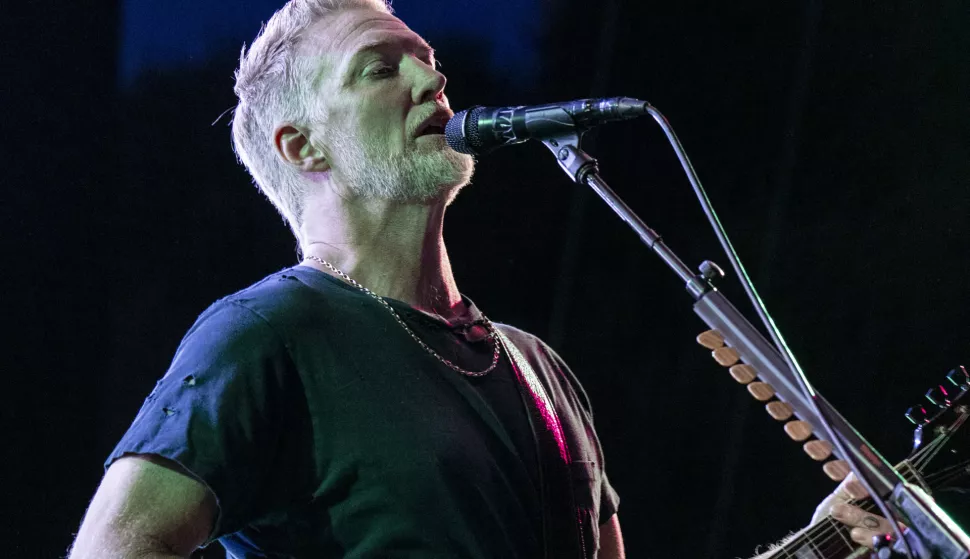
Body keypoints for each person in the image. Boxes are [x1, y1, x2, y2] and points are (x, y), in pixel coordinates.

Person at [68, 1, 895, 557]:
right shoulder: (266, 336)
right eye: (380, 69)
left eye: (428, 64)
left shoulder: (540, 369)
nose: (432, 81)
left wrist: (819, 541)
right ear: (302, 146)